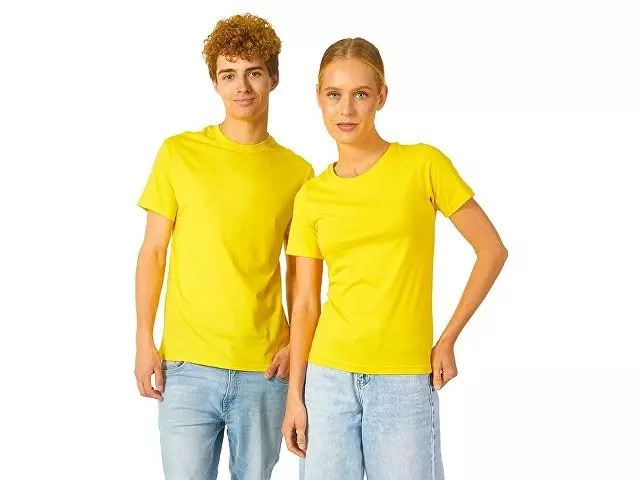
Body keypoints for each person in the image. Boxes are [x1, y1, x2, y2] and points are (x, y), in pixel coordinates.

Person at [281, 37, 508, 480]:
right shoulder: (311, 195)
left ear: (381, 96)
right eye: (334, 94)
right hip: (327, 381)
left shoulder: (423, 164)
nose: (346, 109)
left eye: (361, 94)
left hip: (403, 381)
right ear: (318, 98)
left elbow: (491, 250)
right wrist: (295, 397)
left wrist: (447, 339)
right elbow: (305, 304)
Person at [134, 14, 314, 480]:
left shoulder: (297, 173)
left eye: (254, 72)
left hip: (264, 370)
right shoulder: (178, 154)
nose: (242, 87)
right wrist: (143, 339)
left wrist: (295, 343)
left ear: (273, 78)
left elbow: (301, 274)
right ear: (215, 82)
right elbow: (153, 252)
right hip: (187, 367)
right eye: (229, 74)